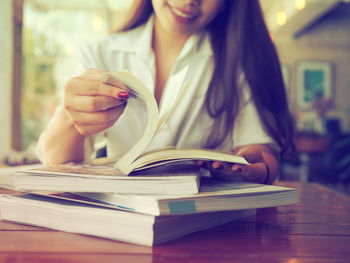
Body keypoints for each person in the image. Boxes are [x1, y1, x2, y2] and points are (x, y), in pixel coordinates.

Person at [36, 0, 295, 184]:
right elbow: (56, 160)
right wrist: (73, 115)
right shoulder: (100, 53)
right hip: (119, 214)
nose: (189, 1)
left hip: (206, 222)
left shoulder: (241, 61)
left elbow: (263, 156)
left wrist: (253, 171)